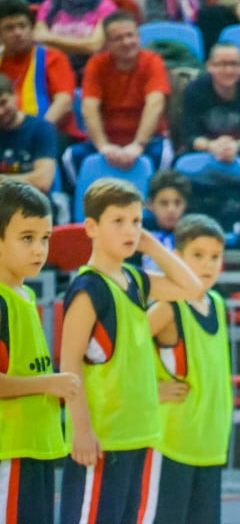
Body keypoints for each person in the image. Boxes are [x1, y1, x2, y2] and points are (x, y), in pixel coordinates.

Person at [59, 178, 204, 524]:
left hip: (138, 434)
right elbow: (69, 366)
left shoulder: (136, 279)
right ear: (91, 227)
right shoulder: (88, 288)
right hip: (102, 441)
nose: (131, 230)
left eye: (137, 221)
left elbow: (193, 287)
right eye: (119, 221)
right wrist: (81, 430)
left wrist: (152, 246)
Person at [141, 214, 232, 524]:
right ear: (176, 259)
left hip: (210, 444)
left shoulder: (218, 303)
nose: (207, 265)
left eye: (215, 257)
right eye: (197, 256)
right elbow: (118, 353)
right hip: (171, 443)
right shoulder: (168, 308)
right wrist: (149, 391)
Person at [0, 181, 79, 524]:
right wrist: (48, 385)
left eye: (45, 238)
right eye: (27, 238)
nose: (39, 250)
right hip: (12, 451)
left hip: (38, 447)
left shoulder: (25, 296)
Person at [62, 11, 173, 186]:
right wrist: (103, 146)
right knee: (71, 157)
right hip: (106, 142)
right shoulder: (96, 64)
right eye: (118, 38)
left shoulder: (153, 61)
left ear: (138, 36)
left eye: (130, 35)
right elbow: (89, 108)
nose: (127, 42)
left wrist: (138, 145)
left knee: (164, 156)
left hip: (147, 141)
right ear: (107, 44)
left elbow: (155, 105)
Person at [178, 42, 240, 178]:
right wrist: (212, 147)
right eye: (221, 64)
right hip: (206, 145)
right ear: (209, 66)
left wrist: (236, 147)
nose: (228, 70)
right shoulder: (194, 90)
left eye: (234, 64)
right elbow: (189, 135)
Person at [0, 0, 76, 131]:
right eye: (9, 28)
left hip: (50, 132)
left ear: (32, 29)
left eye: (23, 26)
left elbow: (64, 101)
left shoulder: (53, 58)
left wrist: (39, 130)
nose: (18, 33)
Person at [0, 75, 58, 197]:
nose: (0, 111)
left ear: (15, 95)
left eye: (3, 103)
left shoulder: (41, 129)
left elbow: (43, 182)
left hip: (34, 207)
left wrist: (2, 181)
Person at [143, 169, 192, 272]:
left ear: (185, 204)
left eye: (177, 203)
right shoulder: (139, 235)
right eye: (164, 203)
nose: (171, 210)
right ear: (150, 204)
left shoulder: (193, 236)